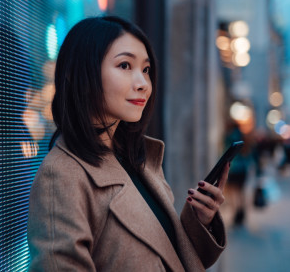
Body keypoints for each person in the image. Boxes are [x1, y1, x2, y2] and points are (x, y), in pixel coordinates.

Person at [27, 16, 228, 272]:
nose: (143, 84)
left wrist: (200, 220)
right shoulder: (61, 175)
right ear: (79, 73)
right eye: (124, 65)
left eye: (145, 70)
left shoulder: (138, 159)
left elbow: (166, 259)